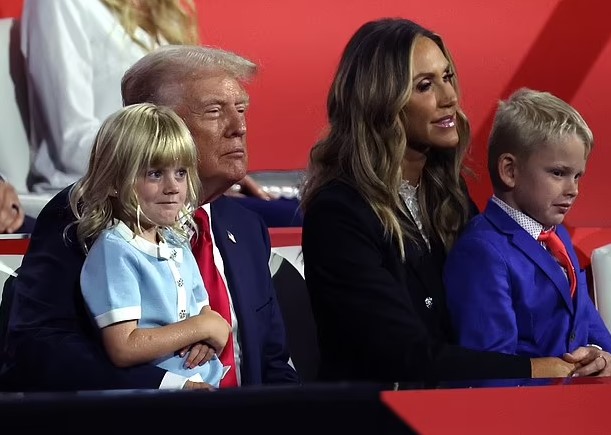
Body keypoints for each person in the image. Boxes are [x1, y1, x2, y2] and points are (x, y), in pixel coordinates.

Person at [299, 17, 608, 384]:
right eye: (425, 85)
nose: (450, 98)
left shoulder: (448, 193)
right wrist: (540, 367)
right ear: (380, 101)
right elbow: (401, 353)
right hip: (381, 413)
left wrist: (594, 358)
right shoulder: (339, 214)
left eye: (447, 77)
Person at [2, 44, 299, 391]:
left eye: (241, 109)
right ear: (155, 125)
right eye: (215, 111)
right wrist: (170, 386)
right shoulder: (84, 217)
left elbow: (273, 365)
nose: (239, 127)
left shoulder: (246, 228)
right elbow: (39, 349)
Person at [20, 0, 302, 227]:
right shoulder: (60, 5)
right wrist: (179, 172)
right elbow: (70, 141)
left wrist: (208, 172)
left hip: (175, 183)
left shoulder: (168, 11)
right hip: (109, 190)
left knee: (294, 209)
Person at [444, 88, 611, 365]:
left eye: (578, 176)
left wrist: (602, 359)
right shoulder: (482, 251)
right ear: (510, 170)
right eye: (558, 173)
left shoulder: (559, 238)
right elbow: (493, 371)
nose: (573, 190)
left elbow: (586, 321)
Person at [76, 102, 231, 389]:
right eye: (155, 174)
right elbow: (123, 347)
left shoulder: (177, 241)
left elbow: (207, 318)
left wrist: (209, 333)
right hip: (152, 400)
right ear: (113, 182)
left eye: (181, 173)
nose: (173, 187)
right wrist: (201, 328)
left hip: (204, 384)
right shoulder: (115, 249)